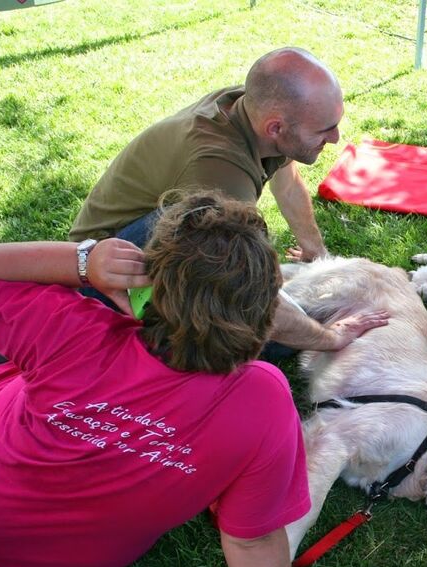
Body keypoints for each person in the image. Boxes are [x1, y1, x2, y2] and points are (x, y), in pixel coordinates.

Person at [0, 191, 310, 567]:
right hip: (83, 557)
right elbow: (252, 541)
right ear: (266, 316)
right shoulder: (265, 402)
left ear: (148, 287)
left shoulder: (70, 326)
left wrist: (85, 263)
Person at [69, 46, 386, 355]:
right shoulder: (219, 173)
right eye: (325, 129)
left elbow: (287, 184)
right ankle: (153, 333)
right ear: (275, 127)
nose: (335, 138)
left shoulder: (255, 111)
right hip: (102, 279)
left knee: (284, 316)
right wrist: (329, 336)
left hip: (147, 241)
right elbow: (251, 291)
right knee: (256, 333)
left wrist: (316, 252)